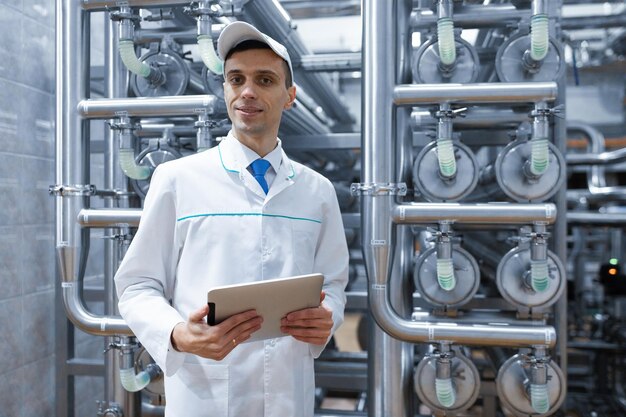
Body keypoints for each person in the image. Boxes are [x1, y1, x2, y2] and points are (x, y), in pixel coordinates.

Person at [114, 21, 349, 417]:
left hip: (288, 395)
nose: (248, 92)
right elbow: (137, 285)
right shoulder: (177, 180)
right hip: (204, 393)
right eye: (236, 78)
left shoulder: (317, 191)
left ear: (289, 96)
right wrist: (176, 334)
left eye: (265, 79)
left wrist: (327, 319)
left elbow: (334, 283)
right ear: (224, 89)